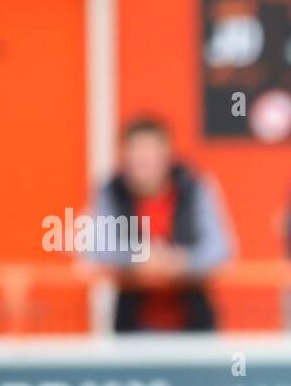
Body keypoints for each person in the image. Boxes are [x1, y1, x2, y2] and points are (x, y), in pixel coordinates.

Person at [90, 117, 232, 332]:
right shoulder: (111, 192)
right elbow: (96, 247)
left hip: (193, 325)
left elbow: (219, 248)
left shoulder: (195, 188)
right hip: (131, 326)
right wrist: (138, 257)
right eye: (137, 150)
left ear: (167, 154)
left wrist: (181, 262)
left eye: (151, 150)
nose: (143, 159)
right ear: (124, 155)